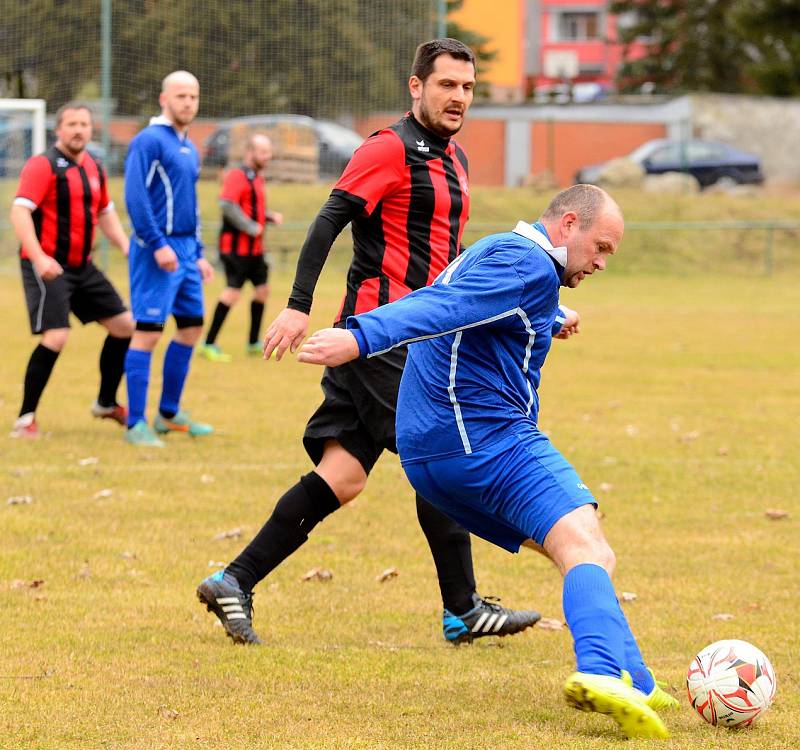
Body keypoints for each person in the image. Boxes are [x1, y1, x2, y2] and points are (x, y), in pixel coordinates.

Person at [296, 184, 681, 739]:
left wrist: (549, 314)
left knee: (579, 546)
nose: (600, 262)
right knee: (585, 544)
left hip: (434, 458)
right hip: (482, 439)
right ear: (568, 224)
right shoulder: (524, 263)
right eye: (601, 247)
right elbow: (444, 307)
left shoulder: (505, 254)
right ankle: (602, 673)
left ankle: (637, 680)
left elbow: (477, 307)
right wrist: (360, 337)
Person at [197, 39, 540, 645]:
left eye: (467, 87)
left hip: (416, 334)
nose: (459, 97)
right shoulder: (389, 150)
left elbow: (447, 260)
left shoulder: (454, 159)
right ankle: (462, 609)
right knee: (439, 461)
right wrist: (298, 307)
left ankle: (234, 579)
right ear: (416, 87)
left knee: (343, 475)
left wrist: (527, 308)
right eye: (446, 86)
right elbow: (328, 220)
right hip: (381, 337)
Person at [10, 101, 133, 439]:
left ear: (91, 130)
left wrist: (126, 246)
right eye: (72, 124)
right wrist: (39, 258)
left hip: (83, 267)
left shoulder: (94, 166)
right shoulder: (43, 165)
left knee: (125, 326)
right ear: (58, 130)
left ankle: (106, 403)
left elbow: (105, 212)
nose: (79, 130)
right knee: (56, 336)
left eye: (84, 124)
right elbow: (20, 213)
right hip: (48, 264)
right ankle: (25, 419)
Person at [123, 70, 215, 447]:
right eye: (180, 96)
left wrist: (200, 253)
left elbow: (188, 205)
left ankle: (168, 413)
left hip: (186, 252)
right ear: (164, 99)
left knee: (192, 327)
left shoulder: (189, 146)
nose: (188, 103)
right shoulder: (148, 141)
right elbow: (135, 197)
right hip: (155, 250)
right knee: (147, 333)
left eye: (193, 96)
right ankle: (134, 424)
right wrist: (156, 242)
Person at [200, 133, 283, 362]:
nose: (268, 156)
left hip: (255, 250)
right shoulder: (237, 175)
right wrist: (250, 227)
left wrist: (267, 217)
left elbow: (250, 209)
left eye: (269, 152)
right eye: (263, 152)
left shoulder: (256, 177)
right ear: (250, 152)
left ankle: (253, 342)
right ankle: (208, 343)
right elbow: (227, 205)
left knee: (262, 291)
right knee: (232, 293)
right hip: (235, 249)